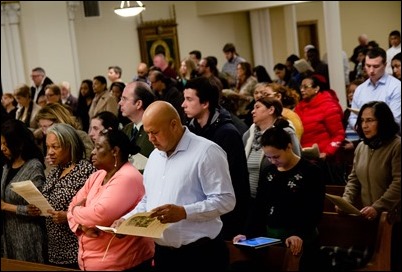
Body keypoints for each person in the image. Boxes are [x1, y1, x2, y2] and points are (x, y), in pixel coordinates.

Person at [113, 101, 236, 272]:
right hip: (164, 254)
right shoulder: (155, 156)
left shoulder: (206, 151)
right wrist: (127, 220)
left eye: (155, 132)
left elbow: (226, 200)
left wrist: (184, 212)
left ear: (174, 125)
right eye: (147, 133)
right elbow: (149, 199)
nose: (150, 139)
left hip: (201, 254)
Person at [233, 125, 325, 272]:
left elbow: (314, 208)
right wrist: (247, 233)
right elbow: (259, 205)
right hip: (271, 239)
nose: (273, 161)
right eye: (268, 157)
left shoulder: (311, 171)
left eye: (276, 156)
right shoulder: (269, 172)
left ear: (288, 147)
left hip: (301, 238)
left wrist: (298, 234)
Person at [67, 128, 154, 271]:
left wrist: (77, 210)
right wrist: (81, 226)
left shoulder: (128, 177)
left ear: (115, 151)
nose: (93, 152)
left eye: (99, 147)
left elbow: (99, 214)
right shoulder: (98, 175)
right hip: (90, 261)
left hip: (121, 264)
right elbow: (71, 204)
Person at [182, 77, 251, 240]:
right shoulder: (190, 131)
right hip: (199, 212)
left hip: (225, 216)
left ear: (205, 103)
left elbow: (236, 182)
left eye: (189, 99)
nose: (183, 104)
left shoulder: (227, 133)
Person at [339, 101, 400, 271]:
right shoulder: (362, 147)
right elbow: (354, 179)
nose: (365, 126)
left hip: (393, 219)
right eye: (362, 121)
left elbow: (398, 183)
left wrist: (377, 207)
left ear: (383, 121)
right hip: (369, 218)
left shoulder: (397, 146)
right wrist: (346, 201)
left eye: (370, 120)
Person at [28, 123, 96, 269]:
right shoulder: (54, 171)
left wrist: (67, 216)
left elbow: (93, 209)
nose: (50, 152)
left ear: (70, 145)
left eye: (55, 147)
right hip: (53, 249)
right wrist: (38, 207)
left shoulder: (85, 170)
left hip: (75, 249)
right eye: (48, 147)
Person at [1, 119, 47, 263]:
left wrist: (6, 206)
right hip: (8, 234)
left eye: (5, 144)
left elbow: (38, 209)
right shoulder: (7, 166)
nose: (2, 148)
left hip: (27, 236)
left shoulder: (33, 166)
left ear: (18, 143)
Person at [243, 96, 301, 200]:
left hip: (277, 195)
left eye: (257, 107)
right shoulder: (249, 135)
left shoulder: (285, 132)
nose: (252, 111)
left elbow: (297, 163)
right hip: (250, 197)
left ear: (271, 110)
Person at [294, 74, 345, 184]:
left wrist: (327, 153)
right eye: (301, 87)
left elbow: (339, 134)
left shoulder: (329, 106)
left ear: (316, 88)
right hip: (305, 159)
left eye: (306, 87)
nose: (302, 90)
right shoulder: (299, 107)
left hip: (324, 162)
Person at [348, 47, 401, 130]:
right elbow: (352, 118)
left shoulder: (396, 86)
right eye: (368, 66)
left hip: (389, 139)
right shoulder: (360, 89)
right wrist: (363, 129)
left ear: (385, 65)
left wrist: (370, 128)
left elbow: (396, 120)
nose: (371, 70)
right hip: (364, 137)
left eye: (376, 66)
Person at [120, 81, 156, 158]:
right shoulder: (127, 129)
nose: (120, 103)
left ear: (138, 104)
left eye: (124, 99)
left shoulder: (155, 131)